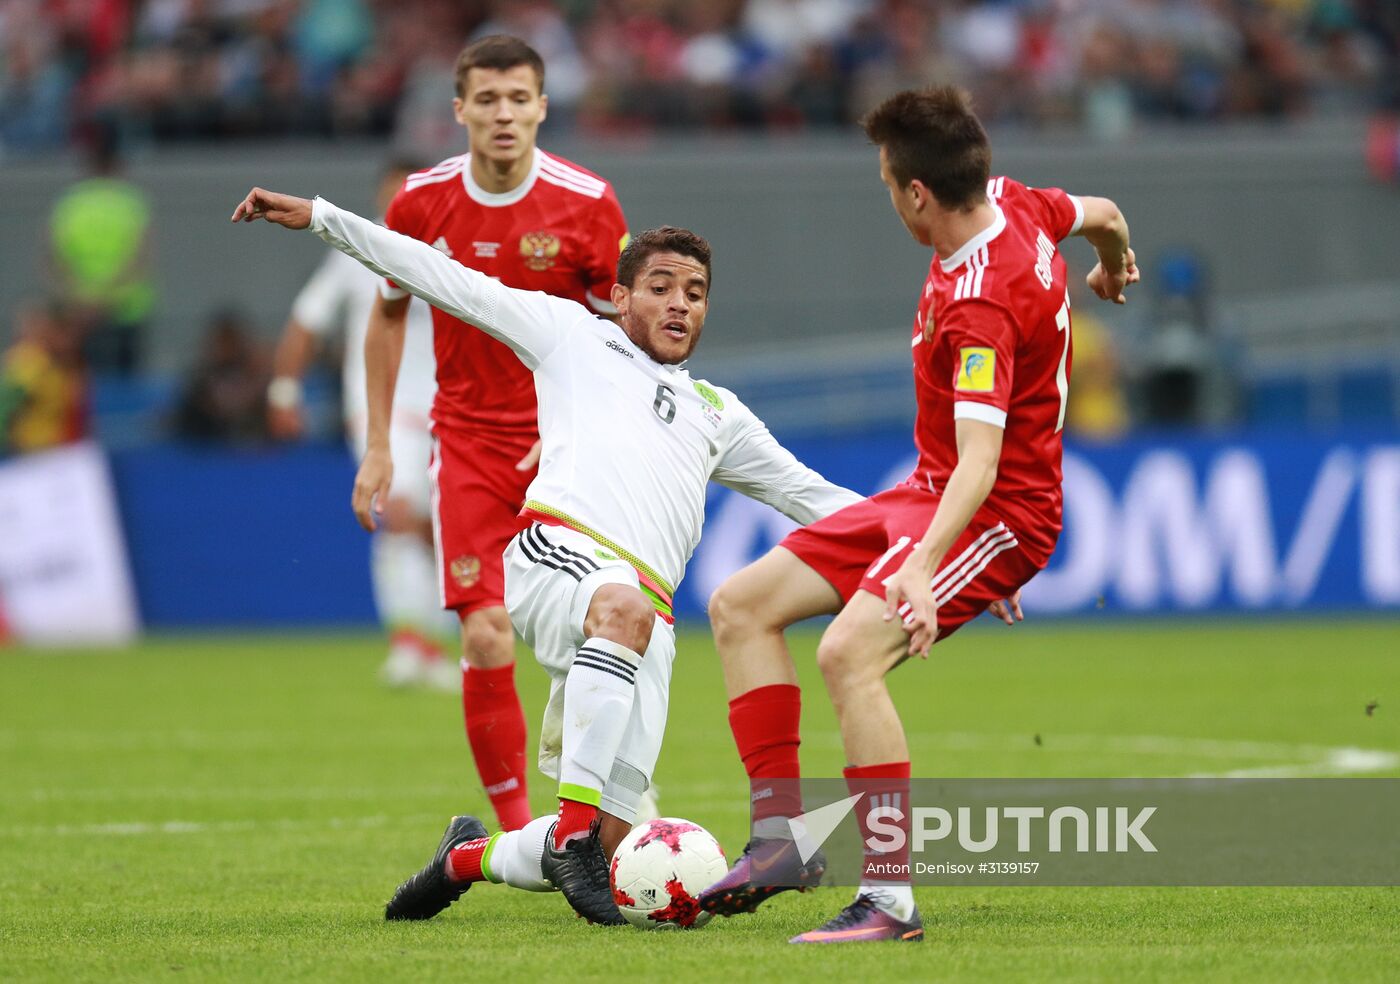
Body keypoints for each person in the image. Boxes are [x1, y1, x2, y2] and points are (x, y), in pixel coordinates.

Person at [231, 187, 862, 927]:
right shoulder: (573, 335)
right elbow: (447, 280)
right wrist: (323, 218)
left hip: (643, 624)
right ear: (621, 296)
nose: (679, 304)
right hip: (556, 554)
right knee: (615, 638)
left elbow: (818, 498)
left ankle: (464, 857)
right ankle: (569, 835)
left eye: (694, 293)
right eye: (659, 288)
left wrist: (936, 547)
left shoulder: (717, 413)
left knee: (613, 837)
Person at [696, 85, 1139, 944]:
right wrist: (1114, 268)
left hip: (995, 510)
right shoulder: (1015, 202)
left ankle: (891, 900)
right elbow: (1108, 211)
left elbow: (982, 463)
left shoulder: (981, 305)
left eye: (887, 181)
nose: (888, 194)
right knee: (741, 606)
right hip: (930, 494)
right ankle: (781, 838)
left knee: (847, 654)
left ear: (916, 195)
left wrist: (931, 567)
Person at [357, 34, 632, 833]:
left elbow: (626, 336)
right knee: (483, 634)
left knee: (602, 626)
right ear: (460, 111)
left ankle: (601, 810)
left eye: (519, 99)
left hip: (567, 447)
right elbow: (388, 314)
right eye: (487, 100)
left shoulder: (588, 202)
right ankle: (520, 835)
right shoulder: (419, 203)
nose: (504, 114)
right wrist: (379, 443)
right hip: (471, 443)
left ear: (543, 106)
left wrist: (583, 424)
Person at [266, 160, 458, 691]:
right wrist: (284, 389)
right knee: (398, 511)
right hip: (381, 410)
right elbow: (306, 322)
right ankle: (405, 645)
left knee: (436, 530)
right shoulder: (359, 250)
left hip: (449, 409)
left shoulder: (452, 248)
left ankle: (433, 647)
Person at [0, 301, 87, 457]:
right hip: (33, 452)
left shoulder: (68, 364)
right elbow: (6, 406)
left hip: (64, 450)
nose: (69, 340)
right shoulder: (28, 362)